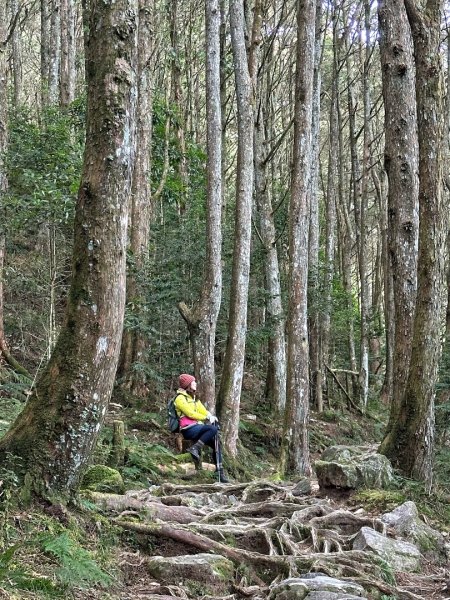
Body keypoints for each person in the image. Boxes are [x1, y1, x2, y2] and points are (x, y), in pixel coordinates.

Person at [174, 373, 229, 483]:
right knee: (212, 429)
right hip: (188, 429)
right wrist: (205, 417)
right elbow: (190, 414)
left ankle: (219, 472)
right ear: (188, 385)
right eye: (193, 382)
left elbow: (202, 409)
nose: (195, 383)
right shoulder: (180, 398)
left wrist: (210, 416)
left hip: (197, 427)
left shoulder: (193, 398)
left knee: (216, 442)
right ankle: (195, 448)